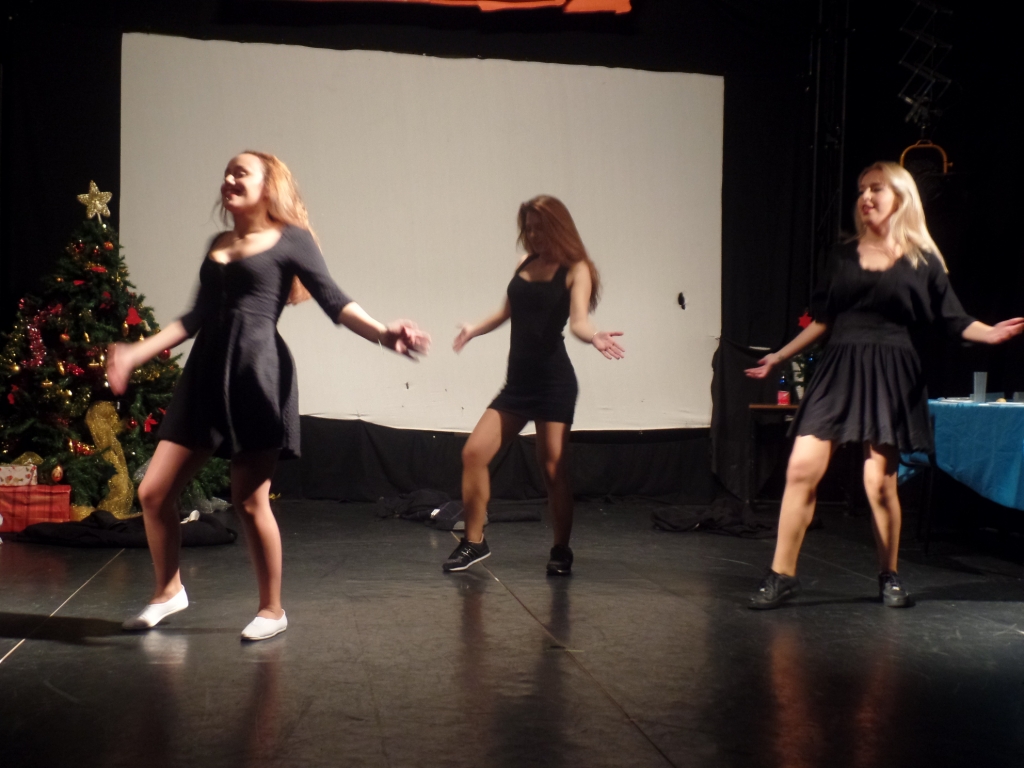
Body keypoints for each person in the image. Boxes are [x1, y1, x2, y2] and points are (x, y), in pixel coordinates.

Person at [107, 151, 430, 640]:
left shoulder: (291, 239)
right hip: (205, 375)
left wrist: (384, 333)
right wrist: (135, 354)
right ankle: (168, 591)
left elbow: (335, 301)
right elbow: (194, 318)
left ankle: (272, 610)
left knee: (249, 500)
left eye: (242, 171)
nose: (229, 178)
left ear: (268, 185)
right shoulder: (218, 244)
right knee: (153, 493)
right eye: (226, 171)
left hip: (257, 373)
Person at [745, 161, 1023, 609]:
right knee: (800, 468)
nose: (866, 197)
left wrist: (989, 333)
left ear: (900, 196)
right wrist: (780, 355)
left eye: (876, 188)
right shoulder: (842, 255)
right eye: (861, 190)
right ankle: (781, 574)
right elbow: (823, 320)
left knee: (879, 482)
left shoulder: (922, 260)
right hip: (840, 367)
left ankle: (888, 575)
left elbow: (953, 319)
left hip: (892, 371)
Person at [444, 195, 625, 575]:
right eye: (528, 228)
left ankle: (561, 549)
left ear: (558, 227)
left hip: (554, 383)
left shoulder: (576, 269)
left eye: (540, 228)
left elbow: (578, 321)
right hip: (518, 385)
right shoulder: (524, 263)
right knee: (473, 453)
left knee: (553, 469)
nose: (533, 235)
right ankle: (474, 542)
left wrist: (593, 336)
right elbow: (506, 311)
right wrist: (474, 329)